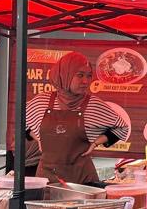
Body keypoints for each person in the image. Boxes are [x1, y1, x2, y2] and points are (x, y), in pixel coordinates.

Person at [25, 51, 128, 184]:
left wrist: (96, 142)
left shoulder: (94, 105)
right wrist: (37, 138)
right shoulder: (42, 102)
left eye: (89, 76)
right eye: (80, 75)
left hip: (82, 179)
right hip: (47, 177)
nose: (85, 81)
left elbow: (122, 127)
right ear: (64, 75)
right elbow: (21, 124)